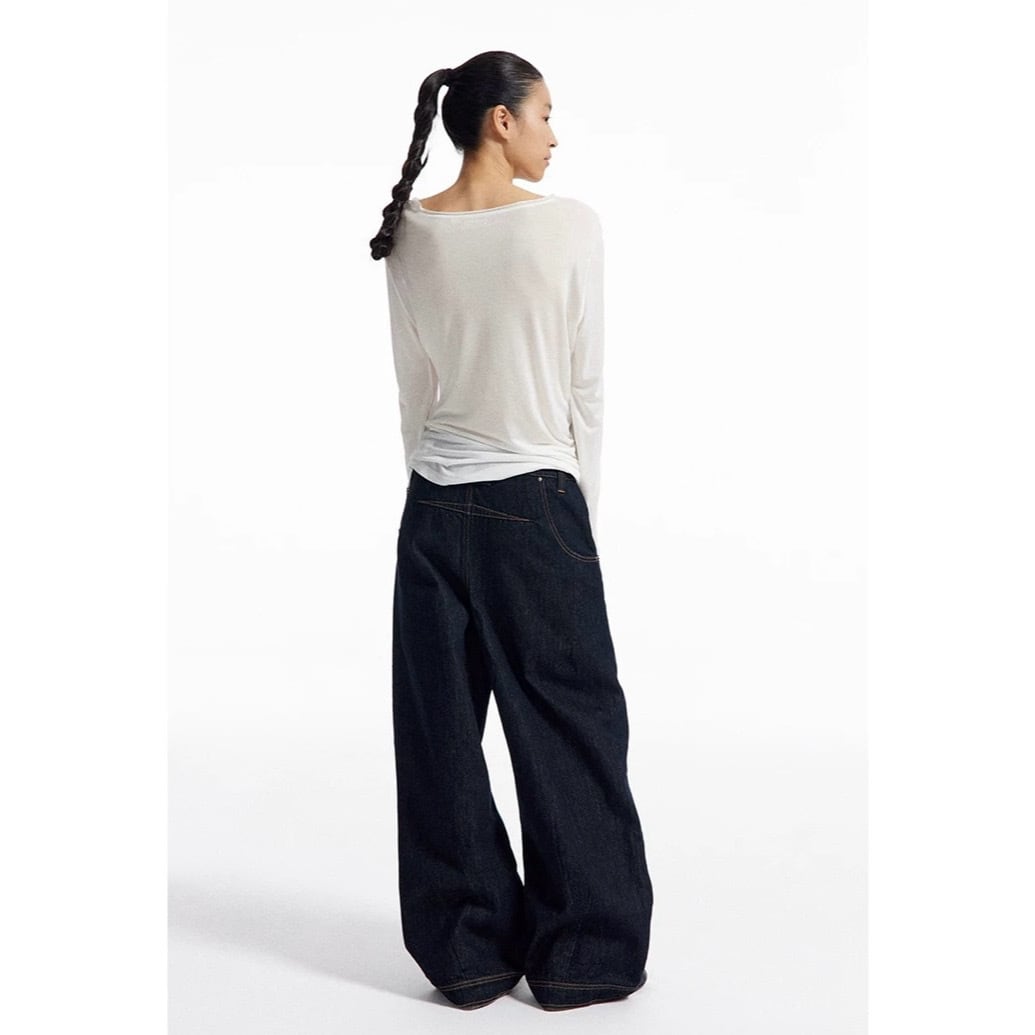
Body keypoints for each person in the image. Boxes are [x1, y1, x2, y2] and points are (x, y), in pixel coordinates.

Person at [369, 50, 653, 1011]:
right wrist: (575, 515)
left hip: (431, 504)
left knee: (438, 732)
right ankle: (584, 956)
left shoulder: (407, 232)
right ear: (501, 120)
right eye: (544, 115)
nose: (553, 136)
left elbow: (414, 390)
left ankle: (467, 953)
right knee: (570, 724)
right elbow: (585, 386)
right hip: (536, 500)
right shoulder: (566, 225)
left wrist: (435, 486)